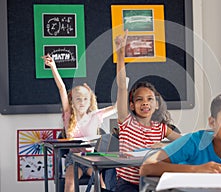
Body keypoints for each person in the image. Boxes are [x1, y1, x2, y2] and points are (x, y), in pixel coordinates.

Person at [114, 31, 182, 192]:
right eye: (139, 99)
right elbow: (122, 85)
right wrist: (120, 53)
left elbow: (185, 142)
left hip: (153, 182)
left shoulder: (160, 128)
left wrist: (164, 145)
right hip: (128, 184)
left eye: (150, 99)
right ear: (131, 106)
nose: (145, 103)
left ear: (157, 104)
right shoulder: (126, 122)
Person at [42, 54, 117, 192]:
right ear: (72, 102)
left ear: (90, 102)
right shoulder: (68, 115)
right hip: (74, 159)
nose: (81, 102)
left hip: (91, 158)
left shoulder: (95, 115)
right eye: (78, 99)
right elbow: (61, 88)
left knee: (100, 184)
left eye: (85, 99)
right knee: (70, 183)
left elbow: (117, 107)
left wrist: (123, 84)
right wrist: (53, 67)